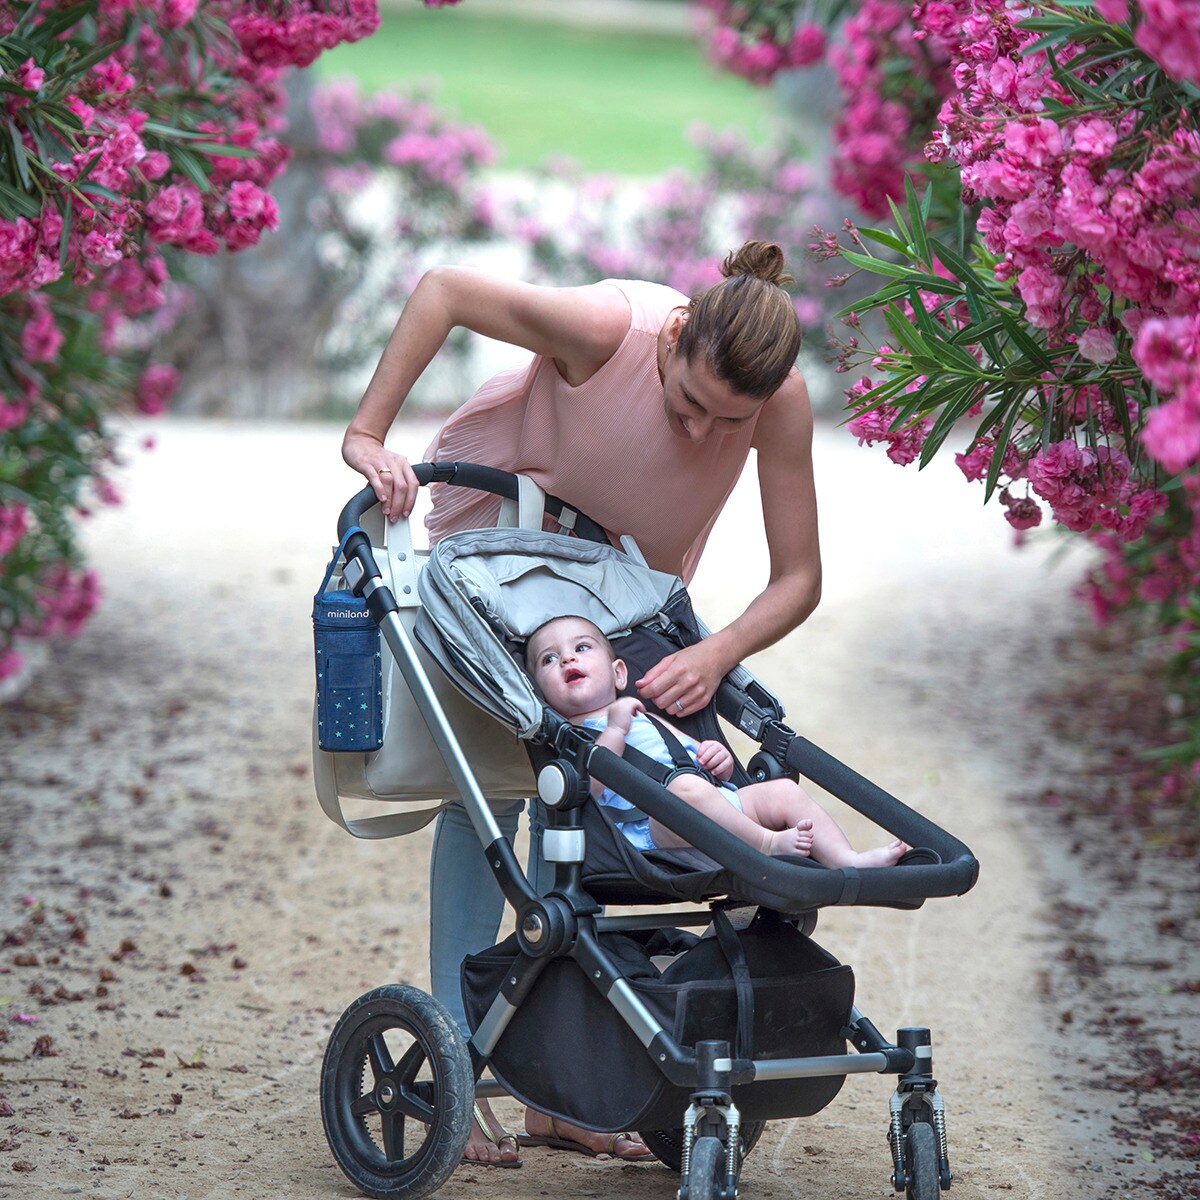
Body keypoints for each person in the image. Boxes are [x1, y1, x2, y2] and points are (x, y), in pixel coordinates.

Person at [342, 241, 822, 1166]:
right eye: (688, 403)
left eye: (729, 422)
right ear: (674, 340)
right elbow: (444, 290)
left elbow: (798, 576)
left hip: (619, 602)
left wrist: (718, 650)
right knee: (495, 797)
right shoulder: (612, 331)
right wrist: (368, 433)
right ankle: (463, 1054)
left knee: (596, 807)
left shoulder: (782, 399)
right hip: (508, 567)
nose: (700, 433)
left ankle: (561, 1088)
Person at [527, 616, 907, 866]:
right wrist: (614, 730)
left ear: (619, 674)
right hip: (651, 828)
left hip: (713, 801)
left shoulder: (644, 715)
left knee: (783, 792)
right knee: (685, 791)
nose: (567, 659)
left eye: (581, 648)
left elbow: (690, 752)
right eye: (549, 659)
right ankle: (765, 844)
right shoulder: (571, 739)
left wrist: (716, 758)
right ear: (541, 696)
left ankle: (845, 860)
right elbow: (588, 788)